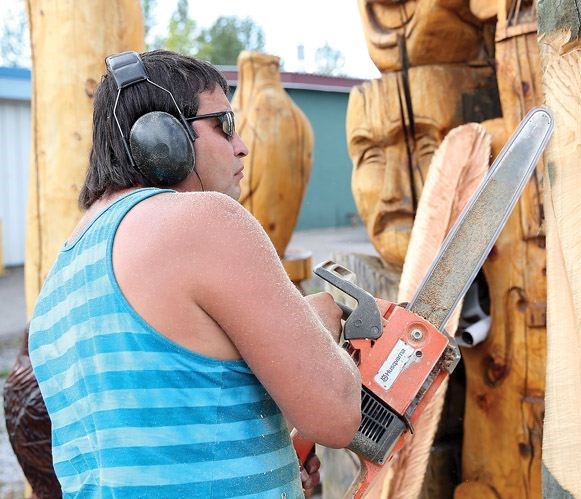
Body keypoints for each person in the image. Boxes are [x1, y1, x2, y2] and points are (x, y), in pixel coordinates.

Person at [28, 49, 361, 498]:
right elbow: (337, 415)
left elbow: (154, 446)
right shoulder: (205, 222)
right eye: (224, 124)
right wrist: (320, 329)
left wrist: (269, 461)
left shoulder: (57, 282)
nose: (241, 144)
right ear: (161, 135)